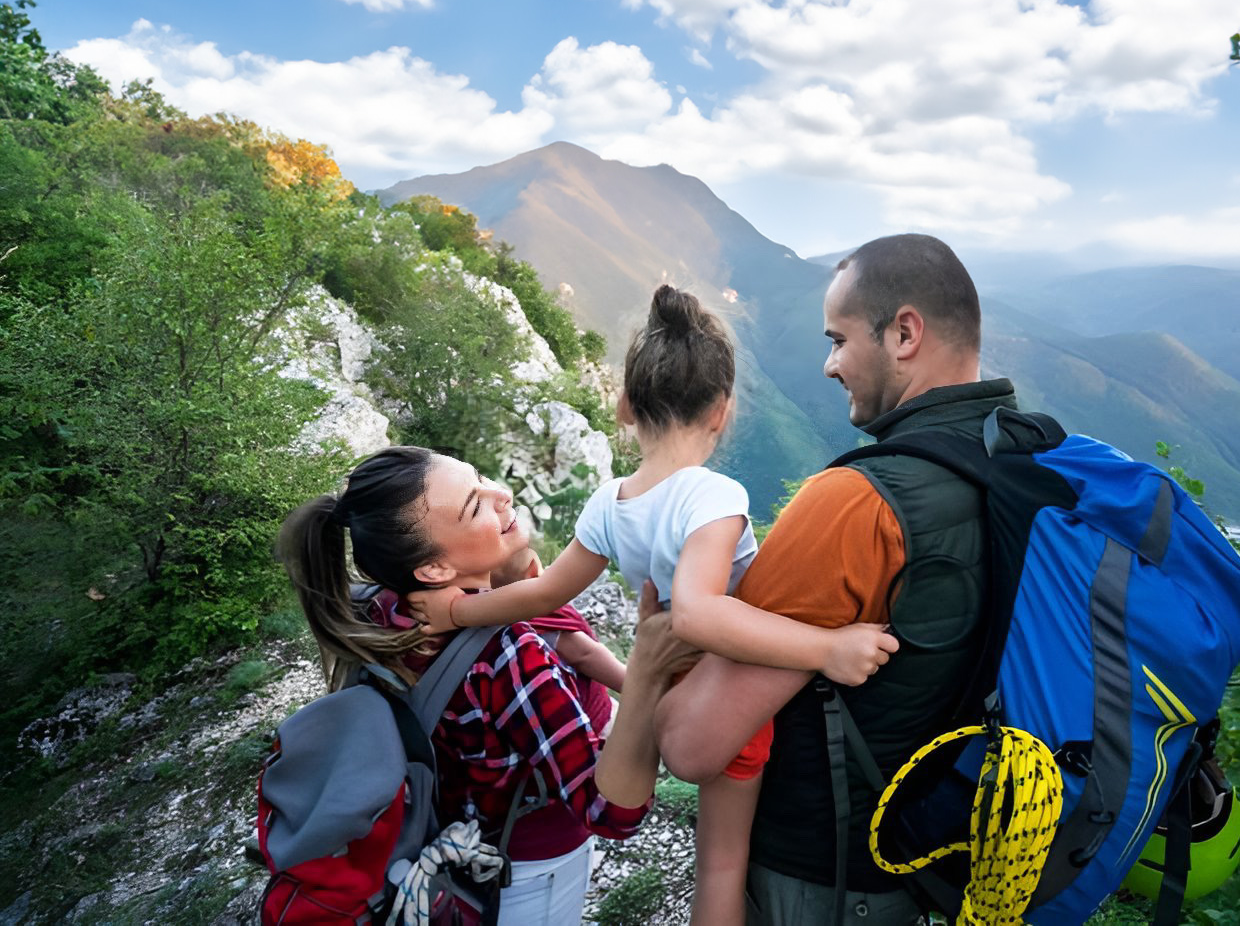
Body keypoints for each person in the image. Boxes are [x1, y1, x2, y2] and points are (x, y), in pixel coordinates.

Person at [408, 284, 900, 925]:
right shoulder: (714, 496)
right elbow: (697, 614)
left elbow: (546, 593)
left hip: (669, 693)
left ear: (623, 407)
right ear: (722, 410)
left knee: (713, 859)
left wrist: (455, 612)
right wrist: (830, 649)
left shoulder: (609, 501)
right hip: (727, 698)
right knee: (725, 864)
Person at [654, 234, 1015, 924]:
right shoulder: (1030, 464)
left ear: (904, 332)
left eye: (839, 339)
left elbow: (692, 745)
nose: (828, 365)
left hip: (815, 878)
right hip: (926, 864)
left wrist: (659, 661)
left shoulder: (856, 503)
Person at [277, 444, 693, 924]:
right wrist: (647, 669)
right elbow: (613, 813)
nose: (502, 493)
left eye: (480, 477)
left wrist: (501, 581)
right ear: (435, 569)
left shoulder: (380, 607)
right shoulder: (508, 654)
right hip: (533, 871)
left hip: (458, 839)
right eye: (476, 504)